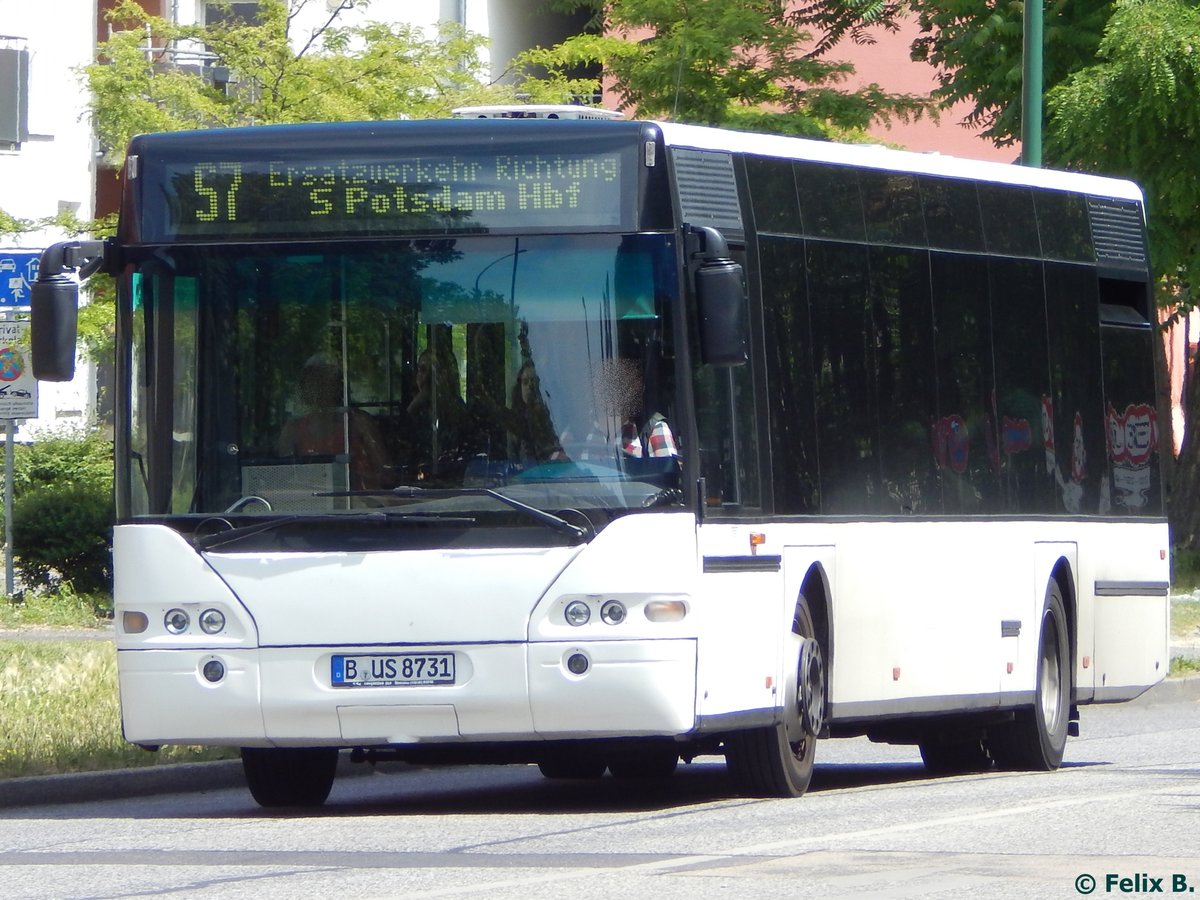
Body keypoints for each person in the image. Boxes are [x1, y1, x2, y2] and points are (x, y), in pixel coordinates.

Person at [277, 354, 390, 490]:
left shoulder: (359, 422)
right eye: (312, 379)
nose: (318, 387)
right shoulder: (293, 429)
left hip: (357, 499)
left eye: (325, 379)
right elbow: (281, 477)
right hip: (310, 500)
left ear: (338, 385)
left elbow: (385, 471)